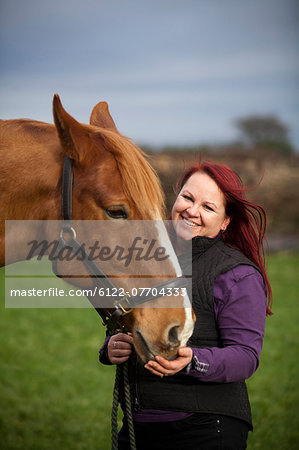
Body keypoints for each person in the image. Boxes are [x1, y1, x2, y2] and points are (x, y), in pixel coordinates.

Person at [99, 161, 272, 450]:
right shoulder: (147, 260)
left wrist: (192, 361)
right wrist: (111, 346)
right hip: (138, 427)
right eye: (188, 198)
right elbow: (130, 319)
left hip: (206, 429)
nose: (192, 211)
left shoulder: (237, 274)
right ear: (176, 197)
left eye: (208, 207)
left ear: (225, 221)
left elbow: (245, 356)